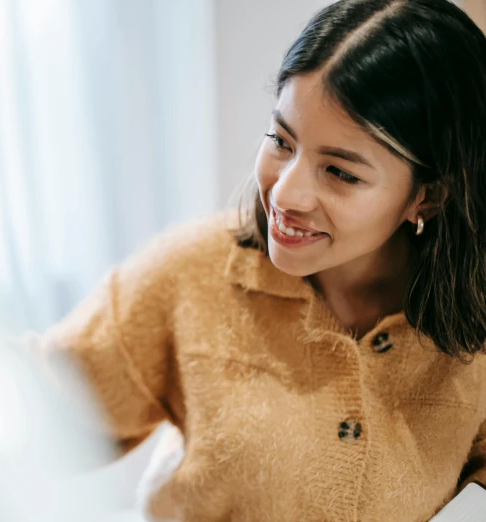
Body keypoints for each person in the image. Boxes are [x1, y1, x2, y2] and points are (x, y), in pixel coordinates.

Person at [33, 0, 486, 520]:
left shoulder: (474, 309)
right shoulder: (189, 273)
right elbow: (40, 414)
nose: (286, 194)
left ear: (427, 197)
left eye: (340, 172)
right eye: (281, 140)